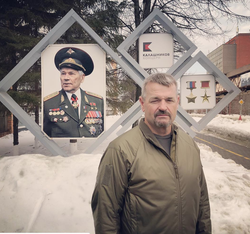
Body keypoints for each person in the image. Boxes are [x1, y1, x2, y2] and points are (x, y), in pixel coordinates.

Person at [91, 73, 211, 234]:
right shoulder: (120, 150)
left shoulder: (189, 145)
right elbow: (106, 214)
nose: (163, 107)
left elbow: (202, 202)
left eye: (169, 100)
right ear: (142, 103)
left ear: (177, 102)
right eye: (155, 100)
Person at [43, 47, 104, 138]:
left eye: (71, 73)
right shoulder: (48, 103)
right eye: (63, 73)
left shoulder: (98, 101)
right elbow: (46, 137)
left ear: (82, 78)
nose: (66, 78)